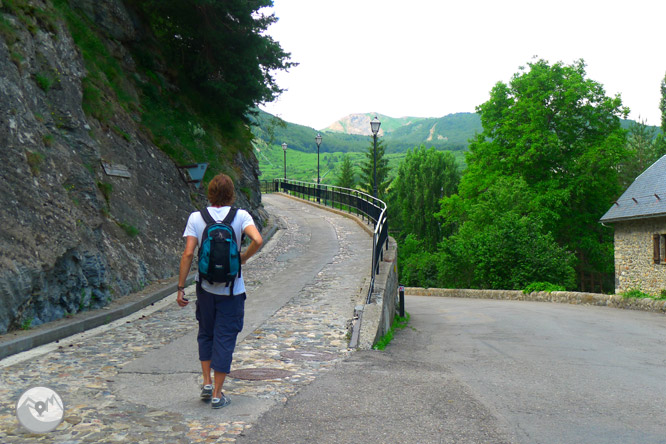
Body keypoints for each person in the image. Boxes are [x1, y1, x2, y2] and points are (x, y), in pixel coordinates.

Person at [176, 173, 263, 409]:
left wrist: (180, 288)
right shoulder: (240, 216)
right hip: (232, 291)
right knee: (225, 339)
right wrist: (243, 257)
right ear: (231, 194)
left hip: (205, 289)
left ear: (210, 193)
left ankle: (206, 382)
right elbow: (258, 239)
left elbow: (187, 254)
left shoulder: (197, 217)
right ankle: (217, 393)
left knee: (206, 333)